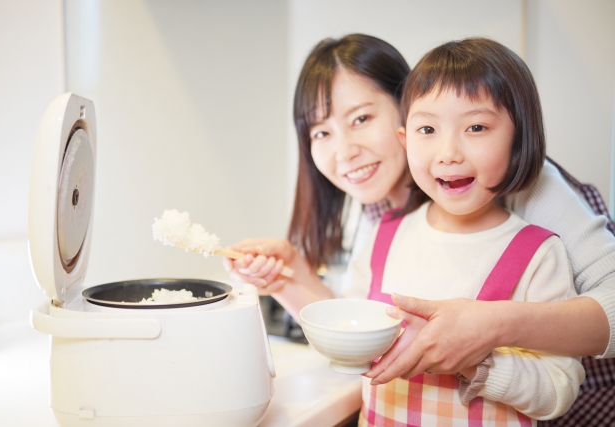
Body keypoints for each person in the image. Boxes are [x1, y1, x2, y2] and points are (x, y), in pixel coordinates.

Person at [224, 34, 615, 425]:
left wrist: (487, 331)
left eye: (361, 118)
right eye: (321, 132)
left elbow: (557, 381)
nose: (343, 152)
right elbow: (360, 320)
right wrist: (290, 276)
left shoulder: (525, 191)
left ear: (403, 109)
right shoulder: (383, 222)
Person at [344, 37, 585, 425]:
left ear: (518, 138)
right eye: (427, 129)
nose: (449, 152)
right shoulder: (384, 236)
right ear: (405, 141)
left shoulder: (537, 253)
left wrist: (476, 360)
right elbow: (350, 320)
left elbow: (558, 391)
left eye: (475, 127)